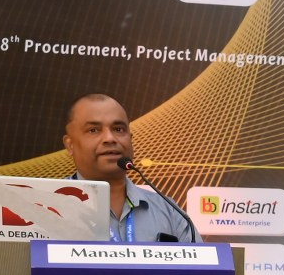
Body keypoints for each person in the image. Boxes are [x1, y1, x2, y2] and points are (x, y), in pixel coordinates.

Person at [63, 93, 200, 243]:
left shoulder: (169, 210)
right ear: (70, 145)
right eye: (93, 130)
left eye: (118, 129)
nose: (110, 138)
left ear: (130, 139)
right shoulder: (49, 207)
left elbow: (201, 258)